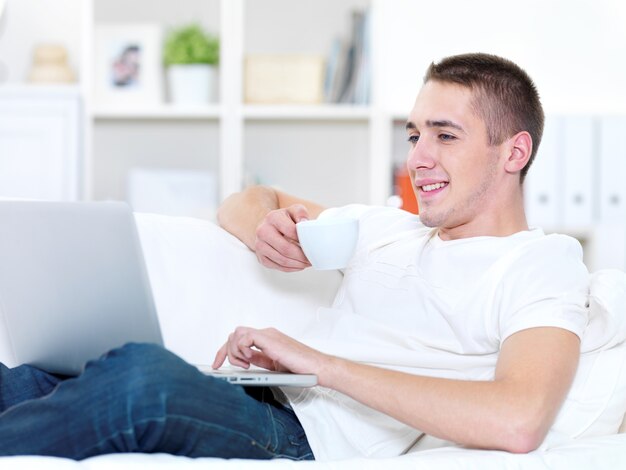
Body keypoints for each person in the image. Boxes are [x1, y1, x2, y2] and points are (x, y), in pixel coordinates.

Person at [0, 53, 590, 460]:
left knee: (140, 377)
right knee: (31, 379)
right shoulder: (390, 227)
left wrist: (319, 364)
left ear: (513, 152)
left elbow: (518, 419)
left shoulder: (541, 262)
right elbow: (248, 199)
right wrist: (265, 226)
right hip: (253, 394)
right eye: (414, 135)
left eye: (445, 135)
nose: (418, 157)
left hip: (307, 437)